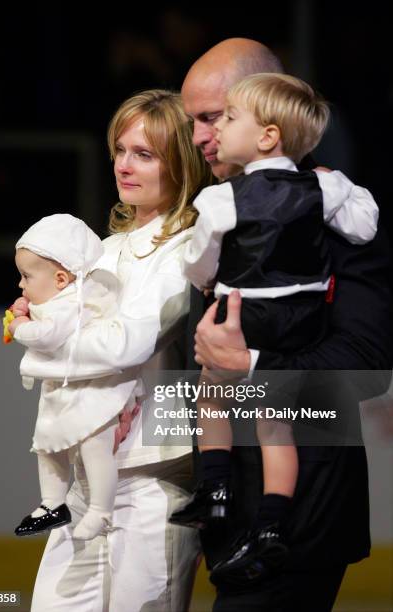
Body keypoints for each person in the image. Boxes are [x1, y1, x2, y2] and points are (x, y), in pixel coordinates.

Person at [181, 38, 393, 611]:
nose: (202, 135)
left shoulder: (335, 215)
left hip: (303, 524)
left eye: (214, 116)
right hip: (225, 521)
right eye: (194, 120)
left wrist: (252, 366)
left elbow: (366, 369)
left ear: (267, 118)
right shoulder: (214, 212)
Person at [14, 89, 213, 611]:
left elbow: (129, 342)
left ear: (182, 163)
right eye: (120, 150)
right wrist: (34, 318)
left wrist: (38, 344)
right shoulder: (104, 248)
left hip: (153, 476)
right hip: (87, 477)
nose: (125, 165)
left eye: (144, 154)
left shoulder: (189, 247)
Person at [7, 213, 144, 541]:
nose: (21, 285)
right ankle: (52, 503)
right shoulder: (58, 298)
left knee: (95, 447)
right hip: (65, 393)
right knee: (47, 446)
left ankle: (101, 509)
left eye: (26, 277)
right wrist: (28, 310)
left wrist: (20, 325)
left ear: (60, 279)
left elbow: (47, 335)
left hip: (94, 394)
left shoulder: (73, 303)